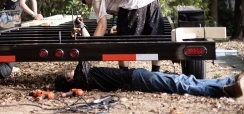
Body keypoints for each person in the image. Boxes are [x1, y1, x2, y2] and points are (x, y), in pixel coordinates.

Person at [76, 0, 165, 72]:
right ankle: (156, 72)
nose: (87, 4)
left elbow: (102, 26)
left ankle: (124, 74)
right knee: (156, 39)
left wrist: (91, 50)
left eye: (84, 1)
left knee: (123, 43)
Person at [54, 61, 244, 98]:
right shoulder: (83, 78)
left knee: (182, 79)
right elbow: (84, 56)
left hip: (137, 77)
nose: (69, 71)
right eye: (67, 75)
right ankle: (223, 89)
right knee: (178, 83)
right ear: (72, 81)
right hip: (137, 79)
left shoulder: (87, 77)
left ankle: (228, 81)